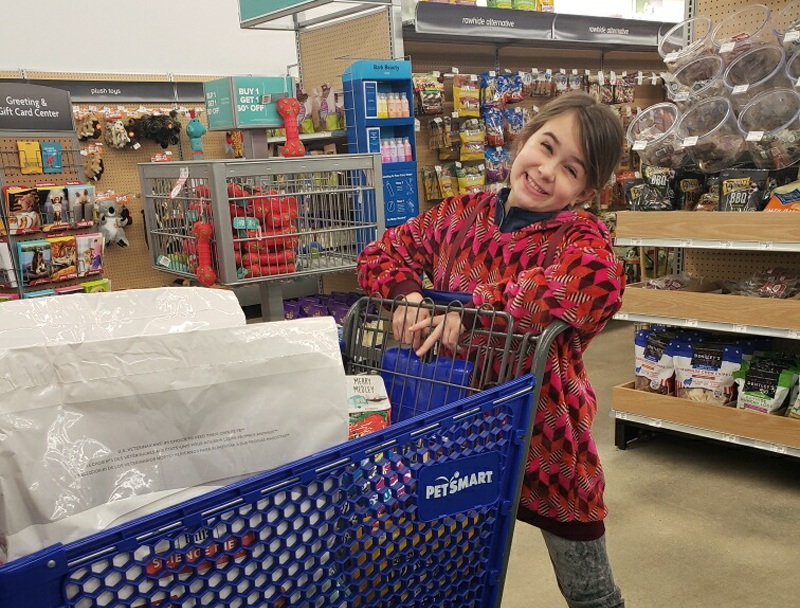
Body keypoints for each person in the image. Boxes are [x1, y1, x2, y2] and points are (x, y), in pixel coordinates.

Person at [357, 92, 626, 608]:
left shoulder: (581, 236)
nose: (546, 171)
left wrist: (477, 312)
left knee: (588, 585)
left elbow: (596, 284)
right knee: (456, 567)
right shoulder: (460, 214)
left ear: (587, 190)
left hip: (547, 440)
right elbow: (384, 252)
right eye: (544, 147)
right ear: (523, 138)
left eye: (570, 169)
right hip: (454, 429)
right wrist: (407, 295)